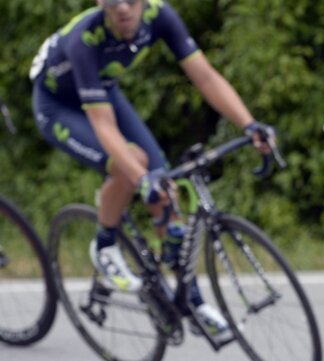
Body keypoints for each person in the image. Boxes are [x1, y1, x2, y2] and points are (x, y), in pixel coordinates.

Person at [29, 0, 274, 342]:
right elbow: (102, 124)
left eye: (133, 0)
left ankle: (192, 302)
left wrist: (248, 125)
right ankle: (104, 245)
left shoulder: (160, 17)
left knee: (166, 190)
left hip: (104, 90)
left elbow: (204, 75)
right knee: (131, 166)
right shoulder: (85, 39)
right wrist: (140, 178)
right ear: (100, 3)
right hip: (58, 107)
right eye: (115, 2)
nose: (125, 8)